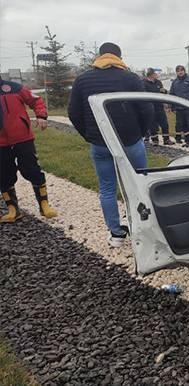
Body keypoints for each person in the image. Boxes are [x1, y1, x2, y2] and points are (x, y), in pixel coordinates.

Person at [68, 42, 153, 247]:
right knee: (139, 184)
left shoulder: (82, 80)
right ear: (119, 58)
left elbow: (73, 113)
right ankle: (143, 228)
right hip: (130, 141)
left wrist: (89, 135)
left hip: (100, 142)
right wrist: (140, 133)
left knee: (107, 187)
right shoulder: (131, 78)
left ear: (99, 56)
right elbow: (146, 109)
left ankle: (116, 235)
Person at [0, 75, 57, 223]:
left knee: (32, 169)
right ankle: (13, 209)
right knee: (4, 174)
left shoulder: (15, 88)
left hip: (23, 138)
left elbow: (36, 100)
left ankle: (44, 204)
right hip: (1, 144)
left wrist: (41, 116)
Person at [169, 65, 189, 148]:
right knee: (183, 126)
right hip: (179, 108)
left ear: (184, 71)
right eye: (178, 71)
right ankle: (188, 141)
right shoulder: (175, 82)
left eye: (181, 70)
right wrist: (172, 107)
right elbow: (172, 95)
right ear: (176, 72)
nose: (180, 72)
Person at [143, 68, 173, 145]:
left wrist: (164, 91)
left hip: (159, 106)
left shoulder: (158, 82)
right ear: (151, 75)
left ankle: (166, 139)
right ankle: (155, 140)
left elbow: (162, 93)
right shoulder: (144, 83)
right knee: (153, 125)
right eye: (155, 74)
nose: (157, 75)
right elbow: (145, 94)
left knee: (164, 124)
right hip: (150, 107)